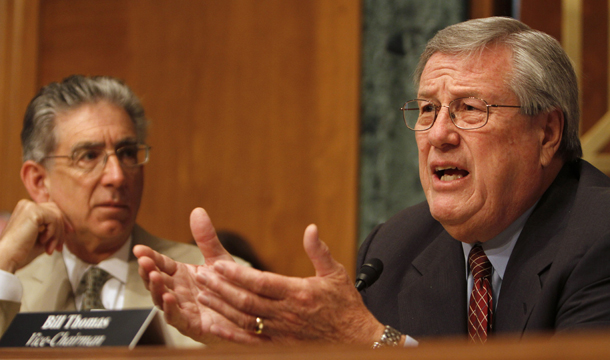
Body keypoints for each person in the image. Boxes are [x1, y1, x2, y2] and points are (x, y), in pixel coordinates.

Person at [135, 16, 610, 347]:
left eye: (469, 108)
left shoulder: (599, 237)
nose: (438, 134)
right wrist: (265, 339)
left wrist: (373, 342)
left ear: (546, 133)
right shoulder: (396, 248)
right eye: (427, 109)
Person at [0, 75, 241, 347]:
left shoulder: (214, 285)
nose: (117, 176)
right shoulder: (9, 281)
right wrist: (4, 259)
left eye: (127, 153)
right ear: (39, 181)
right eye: (89, 156)